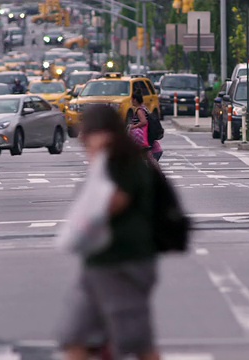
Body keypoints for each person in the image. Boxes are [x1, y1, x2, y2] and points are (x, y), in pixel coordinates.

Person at [56, 104, 160, 360]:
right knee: (75, 338)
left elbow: (107, 206)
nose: (82, 139)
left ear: (104, 134)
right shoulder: (108, 164)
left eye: (87, 132)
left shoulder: (123, 165)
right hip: (101, 265)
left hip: (122, 265)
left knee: (137, 342)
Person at [130, 90, 162, 162]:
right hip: (146, 135)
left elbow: (144, 122)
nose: (131, 101)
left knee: (145, 153)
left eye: (132, 99)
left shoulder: (139, 110)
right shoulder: (144, 107)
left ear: (135, 99)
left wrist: (134, 127)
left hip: (142, 135)